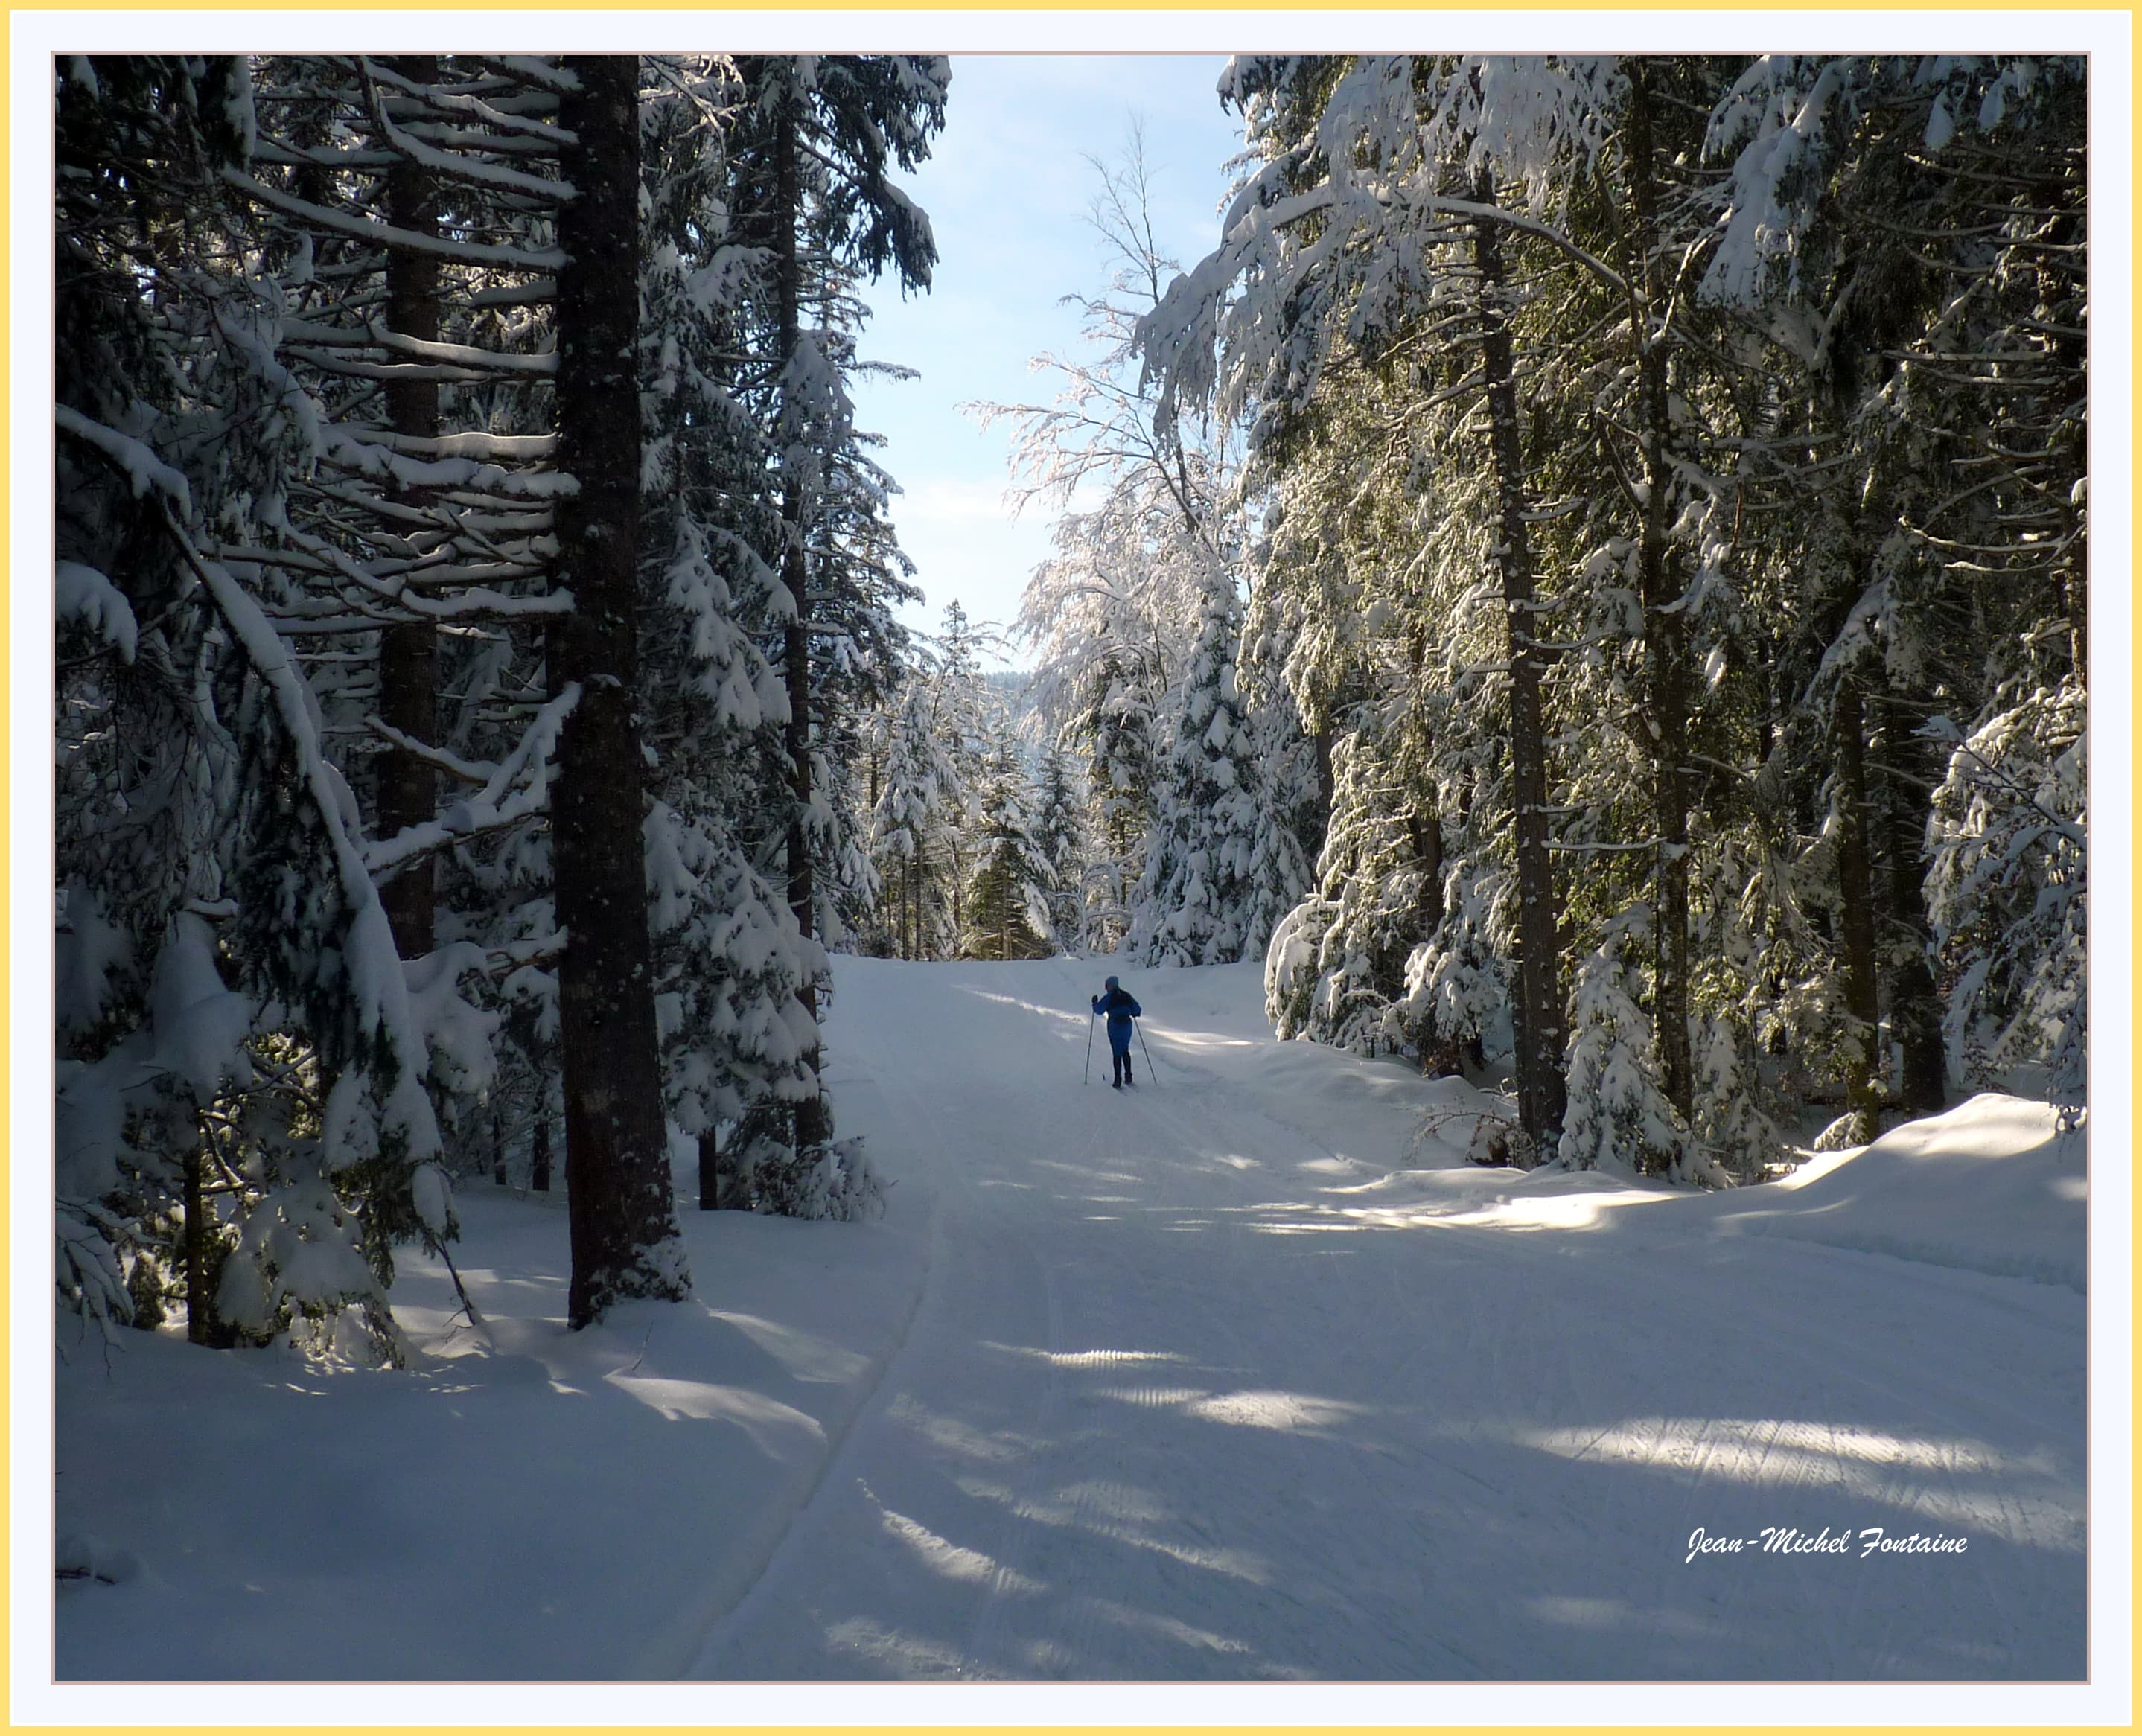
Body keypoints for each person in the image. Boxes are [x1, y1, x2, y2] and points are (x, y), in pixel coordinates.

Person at [1091, 975, 1142, 1088]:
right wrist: (1132, 1012)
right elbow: (1137, 1010)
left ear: (1110, 985)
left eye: (1107, 986)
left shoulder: (1109, 997)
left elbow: (1099, 1010)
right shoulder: (1126, 995)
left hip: (1115, 1025)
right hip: (1127, 1026)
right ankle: (1128, 1076)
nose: (1106, 988)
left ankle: (1117, 1080)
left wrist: (1095, 1003)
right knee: (1125, 1049)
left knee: (1116, 1052)